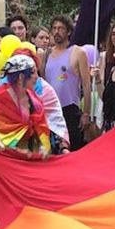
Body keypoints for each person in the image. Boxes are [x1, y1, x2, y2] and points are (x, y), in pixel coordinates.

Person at [42, 15, 91, 150]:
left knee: (74, 149)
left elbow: (86, 84)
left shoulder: (77, 52)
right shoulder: (46, 54)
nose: (57, 31)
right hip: (51, 110)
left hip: (70, 109)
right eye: (54, 28)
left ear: (69, 31)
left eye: (61, 28)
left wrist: (86, 113)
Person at [0, 55, 51, 155]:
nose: (36, 77)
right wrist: (18, 151)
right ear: (21, 77)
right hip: (8, 158)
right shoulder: (0, 99)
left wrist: (43, 146)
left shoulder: (33, 98)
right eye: (33, 72)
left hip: (32, 155)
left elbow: (41, 126)